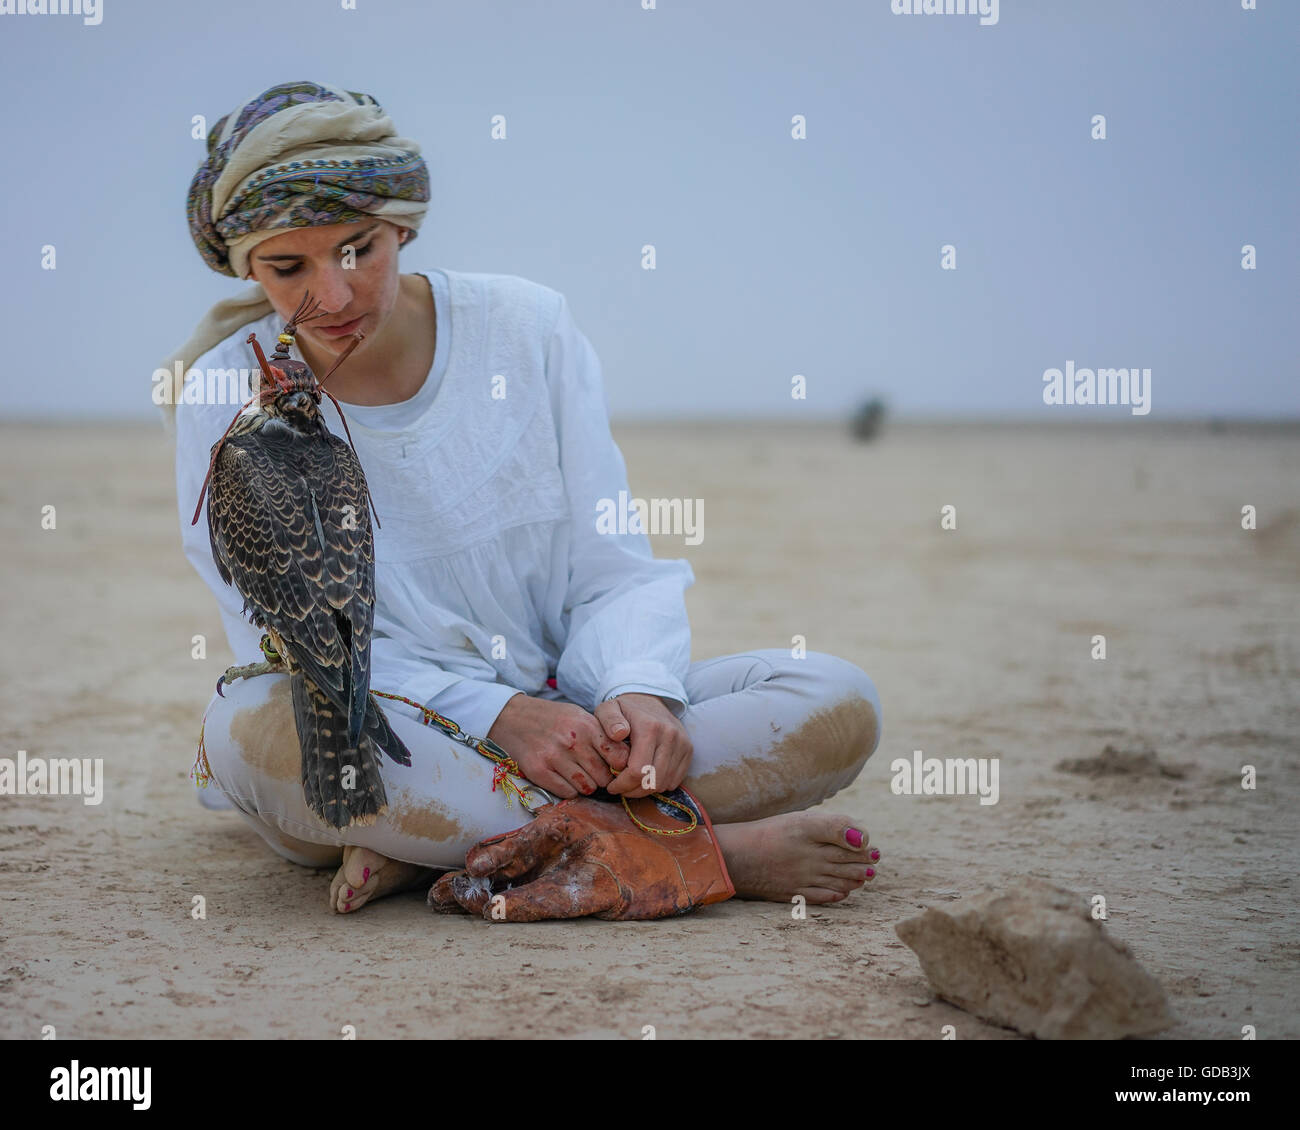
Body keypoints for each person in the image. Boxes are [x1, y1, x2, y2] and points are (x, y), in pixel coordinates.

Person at [162, 81, 884, 915]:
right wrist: (495, 714)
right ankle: (701, 850)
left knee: (836, 701)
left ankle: (446, 849)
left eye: (360, 248)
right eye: (288, 268)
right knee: (252, 737)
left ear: (402, 224)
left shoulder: (525, 327)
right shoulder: (227, 395)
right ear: (247, 266)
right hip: (380, 730)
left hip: (570, 720)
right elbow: (288, 644)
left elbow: (611, 565)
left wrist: (635, 691)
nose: (334, 294)